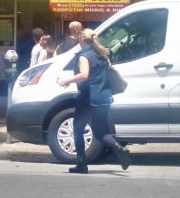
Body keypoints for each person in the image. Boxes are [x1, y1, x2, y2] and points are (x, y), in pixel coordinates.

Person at [56, 29, 130, 173]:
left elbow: (84, 75)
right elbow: (110, 70)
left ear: (82, 40)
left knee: (77, 130)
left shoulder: (84, 56)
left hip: (88, 98)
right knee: (101, 132)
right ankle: (119, 149)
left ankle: (81, 164)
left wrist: (65, 80)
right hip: (104, 98)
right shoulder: (102, 54)